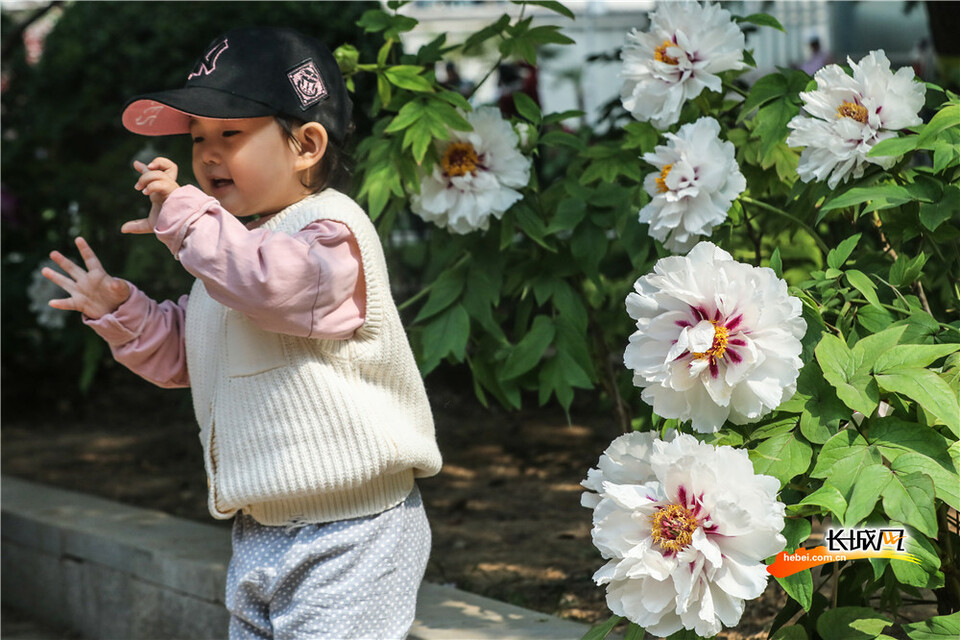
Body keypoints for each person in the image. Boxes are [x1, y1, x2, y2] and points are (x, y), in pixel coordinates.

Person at [42, 27, 442, 640]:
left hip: (355, 531)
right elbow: (188, 354)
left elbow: (270, 288)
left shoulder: (330, 233)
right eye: (198, 138)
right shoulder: (233, 253)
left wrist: (183, 216)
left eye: (230, 134)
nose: (206, 154)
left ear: (306, 144)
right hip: (260, 529)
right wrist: (123, 309)